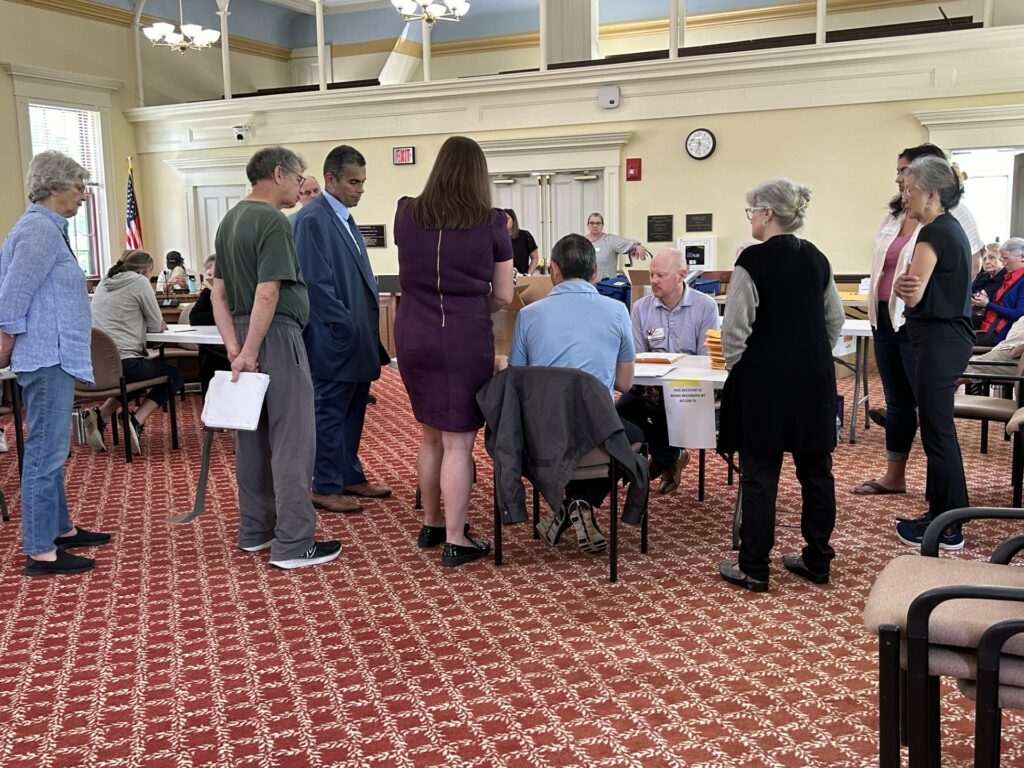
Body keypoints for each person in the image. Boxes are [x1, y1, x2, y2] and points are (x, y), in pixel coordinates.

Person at [210, 145, 341, 570]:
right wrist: (250, 351)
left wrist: (234, 347)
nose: (303, 183)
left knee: (252, 438)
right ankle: (293, 543)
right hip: (276, 336)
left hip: (245, 333)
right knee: (293, 441)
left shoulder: (230, 219)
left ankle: (256, 530)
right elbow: (270, 291)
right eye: (300, 174)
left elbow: (220, 292)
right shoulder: (272, 220)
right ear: (279, 172)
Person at [718, 178, 843, 593]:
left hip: (764, 380)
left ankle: (754, 567)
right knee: (816, 471)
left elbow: (734, 330)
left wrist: (745, 369)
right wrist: (809, 356)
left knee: (760, 473)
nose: (751, 217)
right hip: (814, 378)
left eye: (752, 210)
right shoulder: (818, 258)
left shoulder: (751, 260)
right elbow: (834, 321)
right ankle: (817, 559)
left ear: (768, 213)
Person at [394, 135, 514, 567]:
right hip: (462, 336)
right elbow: (502, 295)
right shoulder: (492, 222)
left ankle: (431, 522)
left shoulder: (406, 211)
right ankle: (457, 538)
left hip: (412, 334)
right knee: (459, 442)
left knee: (429, 434)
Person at [0, 150, 110, 575]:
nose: (83, 195)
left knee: (53, 449)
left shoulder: (47, 228)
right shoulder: (39, 231)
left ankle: (59, 529)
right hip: (45, 355)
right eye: (78, 186)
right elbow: (11, 298)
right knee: (45, 453)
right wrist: (7, 346)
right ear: (52, 187)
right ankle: (41, 549)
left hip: (54, 354)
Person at [852, 143, 984, 496]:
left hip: (930, 326)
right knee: (906, 405)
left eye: (906, 176)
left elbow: (961, 268)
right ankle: (908, 485)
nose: (900, 182)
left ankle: (945, 511)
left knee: (934, 420)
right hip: (895, 320)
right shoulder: (903, 215)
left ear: (931, 185)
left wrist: (928, 292)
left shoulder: (943, 223)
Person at [508, 233, 641, 554]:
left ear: (553, 269)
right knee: (633, 434)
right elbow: (624, 383)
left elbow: (516, 383)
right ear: (596, 271)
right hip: (595, 433)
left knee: (594, 429)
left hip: (540, 437)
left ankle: (568, 506)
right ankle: (582, 502)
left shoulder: (528, 315)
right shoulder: (617, 311)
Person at [293, 144, 390, 515]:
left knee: (352, 410)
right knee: (329, 411)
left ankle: (349, 474)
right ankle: (325, 484)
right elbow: (316, 285)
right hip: (335, 337)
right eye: (353, 181)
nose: (360, 189)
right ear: (330, 179)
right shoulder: (313, 219)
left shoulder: (343, 217)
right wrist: (346, 326)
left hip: (355, 336)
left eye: (363, 182)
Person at [892, 155, 976, 551]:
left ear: (932, 192)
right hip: (946, 338)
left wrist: (903, 286)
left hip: (939, 339)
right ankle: (942, 514)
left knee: (938, 432)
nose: (905, 196)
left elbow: (912, 290)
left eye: (909, 190)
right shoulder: (950, 229)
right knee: (937, 430)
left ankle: (949, 525)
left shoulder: (932, 234)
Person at [616, 247, 718, 495]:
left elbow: (706, 361)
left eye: (660, 275)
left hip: (690, 387)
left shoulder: (705, 306)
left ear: (681, 274)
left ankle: (663, 458)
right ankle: (669, 456)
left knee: (666, 405)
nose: (653, 281)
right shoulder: (641, 308)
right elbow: (637, 358)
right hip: (648, 385)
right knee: (617, 414)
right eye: (651, 275)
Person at [84, 249, 184, 455]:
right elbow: (156, 325)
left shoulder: (104, 282)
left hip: (98, 367)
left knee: (136, 380)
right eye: (150, 273)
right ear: (142, 271)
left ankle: (101, 416)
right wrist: (157, 324)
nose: (150, 277)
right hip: (125, 362)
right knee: (173, 375)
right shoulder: (139, 282)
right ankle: (136, 420)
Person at [188, 254, 230, 395]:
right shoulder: (207, 293)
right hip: (213, 347)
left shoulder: (235, 289)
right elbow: (194, 318)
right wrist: (221, 315)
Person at [972, 238, 1024, 346]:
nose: (1004, 263)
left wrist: (988, 304)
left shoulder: (1020, 281)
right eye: (1002, 259)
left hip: (997, 335)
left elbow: (1018, 315)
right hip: (984, 328)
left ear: (1022, 257)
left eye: (1006, 259)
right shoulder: (1007, 276)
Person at [584, 212, 647, 280]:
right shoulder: (581, 242)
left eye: (598, 223)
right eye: (592, 223)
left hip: (607, 286)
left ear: (602, 225)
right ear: (588, 225)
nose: (595, 225)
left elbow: (631, 244)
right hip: (585, 285)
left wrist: (637, 246)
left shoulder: (611, 240)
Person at [970, 243, 1005, 327]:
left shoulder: (1006, 277)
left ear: (1002, 260)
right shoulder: (982, 276)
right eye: (984, 259)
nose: (987, 262)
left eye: (992, 257)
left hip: (995, 323)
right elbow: (970, 294)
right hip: (976, 317)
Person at [504, 208, 539, 275]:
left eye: (507, 219)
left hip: (522, 276)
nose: (504, 221)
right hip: (503, 277)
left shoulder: (525, 236)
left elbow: (535, 257)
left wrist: (528, 274)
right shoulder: (497, 238)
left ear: (513, 220)